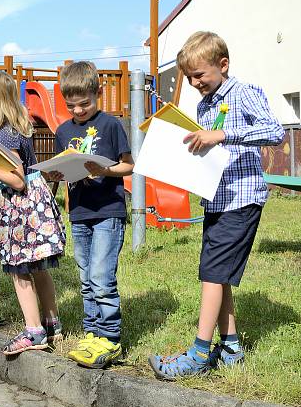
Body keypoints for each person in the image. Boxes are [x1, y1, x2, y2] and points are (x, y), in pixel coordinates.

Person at [149, 31, 284, 380]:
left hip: (242, 197)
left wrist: (223, 134)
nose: (194, 83)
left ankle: (198, 353)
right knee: (217, 274)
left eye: (199, 76)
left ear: (222, 65)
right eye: (189, 77)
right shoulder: (204, 104)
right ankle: (232, 346)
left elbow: (275, 131)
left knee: (211, 274)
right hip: (216, 198)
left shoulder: (244, 92)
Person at [0, 71, 66, 355]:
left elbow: (17, 179)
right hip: (32, 202)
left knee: (19, 269)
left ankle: (33, 331)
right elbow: (12, 173)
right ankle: (51, 322)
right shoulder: (14, 128)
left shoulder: (4, 134)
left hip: (21, 207)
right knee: (38, 267)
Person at [49, 61, 134, 368]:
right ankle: (92, 331)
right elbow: (61, 169)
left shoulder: (111, 125)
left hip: (108, 210)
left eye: (84, 104)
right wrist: (58, 176)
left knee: (101, 276)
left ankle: (110, 337)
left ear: (97, 94)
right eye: (72, 106)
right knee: (86, 277)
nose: (79, 111)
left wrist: (106, 170)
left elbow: (129, 165)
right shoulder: (62, 131)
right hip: (81, 212)